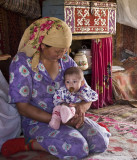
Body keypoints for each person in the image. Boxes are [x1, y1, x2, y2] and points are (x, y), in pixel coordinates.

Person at [1, 17, 111, 159]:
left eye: (65, 49)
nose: (62, 54)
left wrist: (80, 109)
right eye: (58, 50)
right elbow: (22, 107)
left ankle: (92, 132)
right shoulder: (22, 62)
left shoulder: (65, 60)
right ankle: (28, 143)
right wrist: (56, 119)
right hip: (39, 120)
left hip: (68, 115)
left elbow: (86, 92)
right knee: (78, 148)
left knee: (100, 142)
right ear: (42, 45)